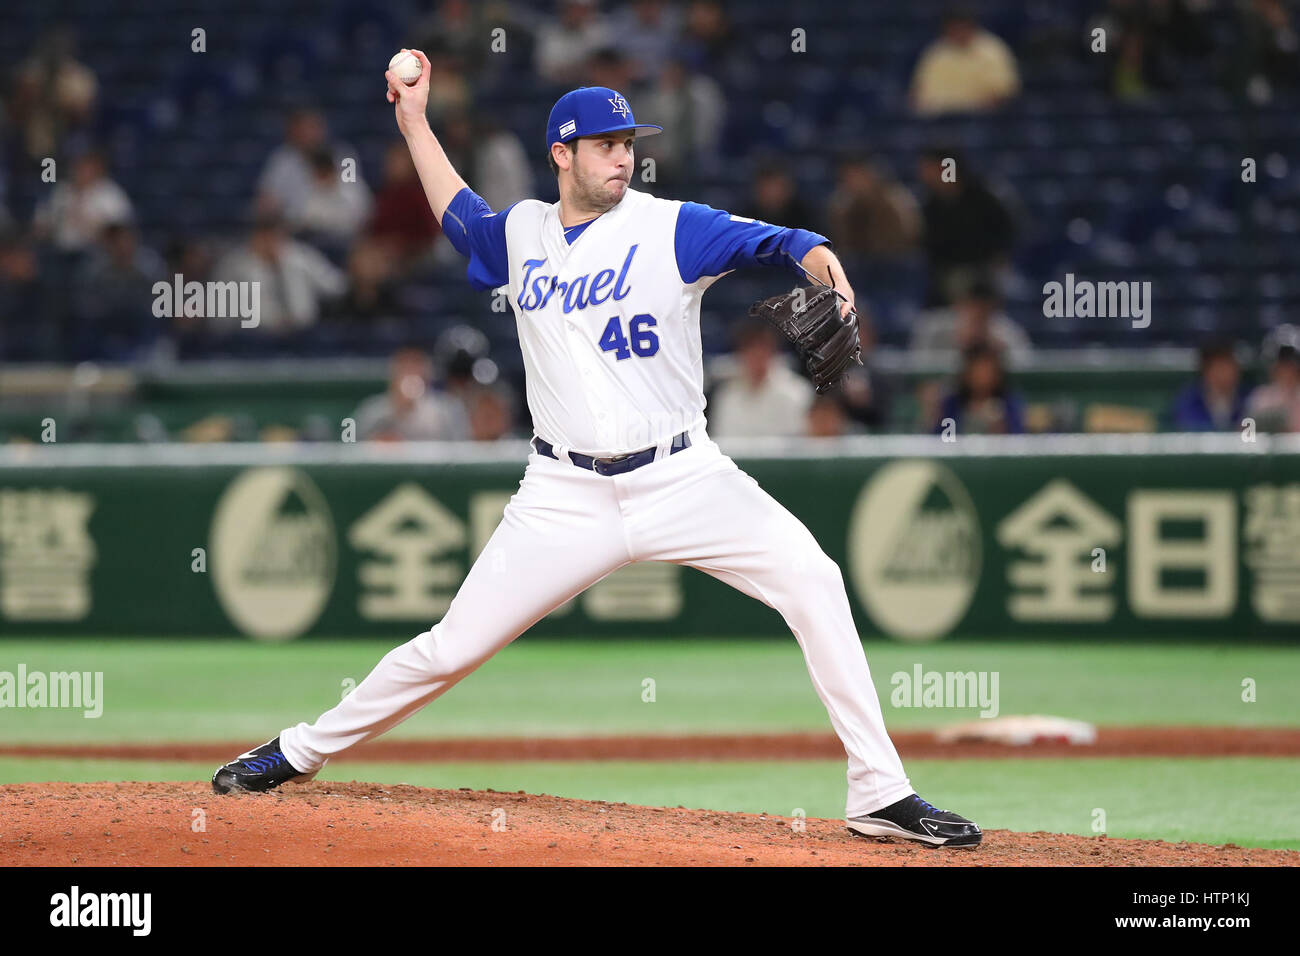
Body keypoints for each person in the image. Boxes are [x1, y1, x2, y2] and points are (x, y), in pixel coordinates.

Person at [209, 59, 981, 850]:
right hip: (563, 493)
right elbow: (458, 214)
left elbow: (789, 243)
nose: (623, 157)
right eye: (605, 144)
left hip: (684, 475)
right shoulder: (521, 235)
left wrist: (836, 284)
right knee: (450, 646)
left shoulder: (669, 226)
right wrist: (413, 122)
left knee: (813, 578)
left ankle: (880, 793)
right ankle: (297, 752)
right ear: (562, 155)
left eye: (628, 143)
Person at [709, 319, 815, 439]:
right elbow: (719, 440)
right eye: (749, 349)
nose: (756, 355)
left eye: (762, 347)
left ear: (773, 351)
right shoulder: (726, 395)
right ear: (740, 354)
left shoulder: (797, 391)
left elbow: (802, 444)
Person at [909, 8, 1020, 115]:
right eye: (953, 28)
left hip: (980, 122)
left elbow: (1004, 94)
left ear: (971, 26)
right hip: (938, 122)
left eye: (961, 27)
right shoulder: (936, 53)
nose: (958, 32)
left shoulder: (993, 50)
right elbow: (917, 94)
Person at [910, 275, 1032, 364]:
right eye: (972, 307)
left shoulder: (1004, 331)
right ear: (959, 304)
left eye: (984, 310)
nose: (977, 314)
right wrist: (957, 344)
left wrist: (998, 350)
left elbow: (1029, 364)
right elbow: (914, 363)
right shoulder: (934, 325)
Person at [353, 346, 468, 441]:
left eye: (415, 368)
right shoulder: (372, 411)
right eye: (404, 369)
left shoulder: (447, 410)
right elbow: (355, 447)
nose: (410, 375)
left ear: (427, 377)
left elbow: (459, 450)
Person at [934, 344, 1026, 435]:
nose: (983, 377)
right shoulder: (952, 404)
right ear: (967, 374)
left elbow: (1018, 435)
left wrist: (1001, 430)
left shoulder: (1009, 404)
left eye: (988, 371)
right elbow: (941, 439)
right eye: (977, 371)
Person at [1169, 341, 1249, 432]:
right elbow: (1189, 428)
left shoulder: (1250, 397)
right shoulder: (1188, 400)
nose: (1225, 373)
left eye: (1229, 366)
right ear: (1206, 370)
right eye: (1219, 367)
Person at [1246, 327, 1300, 433]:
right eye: (1281, 365)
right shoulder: (1260, 398)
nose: (1286, 371)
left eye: (1290, 365)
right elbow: (1246, 436)